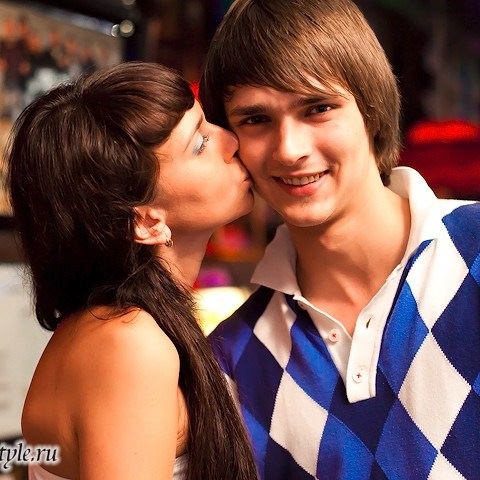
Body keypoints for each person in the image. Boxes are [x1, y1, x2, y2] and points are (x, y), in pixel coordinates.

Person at [200, 1, 480, 479]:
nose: (290, 149)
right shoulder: (229, 362)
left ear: (371, 110)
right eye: (256, 119)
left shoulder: (473, 251)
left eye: (318, 108)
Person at [6, 61, 259, 480]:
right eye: (199, 143)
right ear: (144, 221)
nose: (231, 140)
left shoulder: (120, 327)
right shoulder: (128, 343)